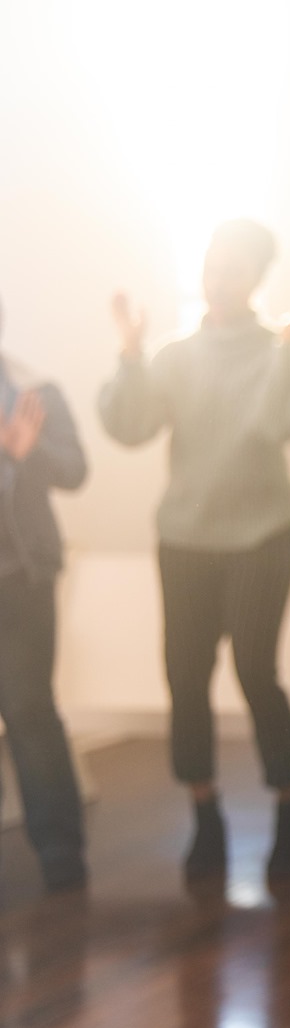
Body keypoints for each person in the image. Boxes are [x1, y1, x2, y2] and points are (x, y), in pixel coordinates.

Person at [100, 220, 290, 884]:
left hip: (261, 535)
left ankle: (288, 802)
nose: (218, 280)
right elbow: (128, 426)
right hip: (186, 539)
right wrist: (130, 356)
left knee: (256, 669)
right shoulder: (174, 356)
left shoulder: (286, 353)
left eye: (233, 269)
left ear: (256, 278)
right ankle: (205, 810)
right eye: (211, 267)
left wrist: (284, 352)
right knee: (186, 674)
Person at [0, 299, 89, 893]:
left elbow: (75, 470)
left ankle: (61, 853)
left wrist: (26, 454)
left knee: (29, 708)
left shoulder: (37, 390)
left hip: (23, 578)